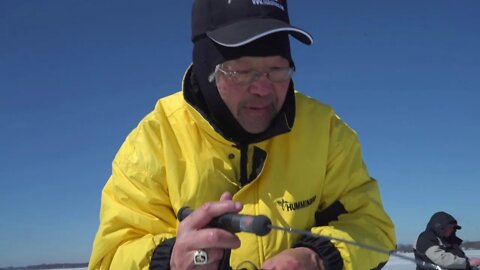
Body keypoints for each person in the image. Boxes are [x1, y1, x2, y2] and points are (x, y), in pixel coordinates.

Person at [88, 0, 396, 269]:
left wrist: (317, 256)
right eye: (240, 71)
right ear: (207, 69)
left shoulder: (326, 131)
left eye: (277, 70)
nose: (262, 88)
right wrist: (168, 260)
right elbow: (111, 257)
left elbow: (371, 226)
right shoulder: (154, 140)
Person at [414, 211, 480, 270]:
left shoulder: (448, 241)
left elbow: (458, 256)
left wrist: (470, 263)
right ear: (440, 227)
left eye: (453, 228)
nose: (452, 230)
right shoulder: (425, 238)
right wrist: (467, 263)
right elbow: (441, 258)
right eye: (450, 227)